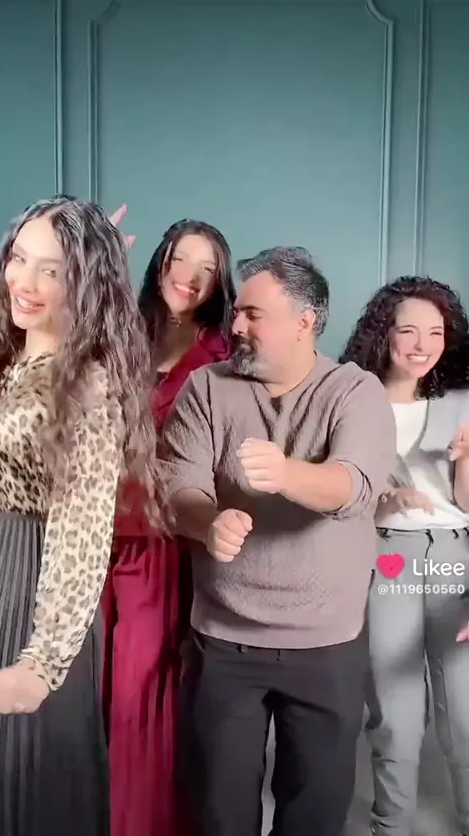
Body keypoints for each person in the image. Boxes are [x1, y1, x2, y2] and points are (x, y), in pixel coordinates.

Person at [159, 246, 396, 836]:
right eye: (236, 311)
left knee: (314, 813)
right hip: (223, 644)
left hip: (327, 647)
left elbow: (356, 487)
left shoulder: (355, 391)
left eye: (253, 314)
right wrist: (207, 521)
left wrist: (288, 474)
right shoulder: (206, 387)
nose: (235, 324)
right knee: (220, 813)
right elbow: (177, 485)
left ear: (303, 322)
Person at [0, 196, 166, 836]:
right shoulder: (5, 357)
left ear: (85, 284)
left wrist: (42, 662)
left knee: (23, 787)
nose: (25, 281)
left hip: (29, 588)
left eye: (52, 271)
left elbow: (82, 533)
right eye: (19, 259)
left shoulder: (88, 385)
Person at [102, 219, 236, 836]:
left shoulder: (224, 354)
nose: (189, 277)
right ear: (161, 262)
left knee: (143, 694)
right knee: (88, 688)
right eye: (181, 260)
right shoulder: (119, 334)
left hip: (165, 546)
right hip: (91, 535)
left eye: (207, 269)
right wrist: (88, 255)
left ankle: (143, 824)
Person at [340, 276, 469, 836]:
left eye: (435, 333)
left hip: (455, 557)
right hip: (386, 555)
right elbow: (339, 496)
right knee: (394, 712)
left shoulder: (462, 402)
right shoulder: (351, 401)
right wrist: (384, 503)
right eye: (409, 330)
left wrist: (465, 461)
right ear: (383, 332)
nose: (422, 345)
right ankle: (390, 826)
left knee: (465, 712)